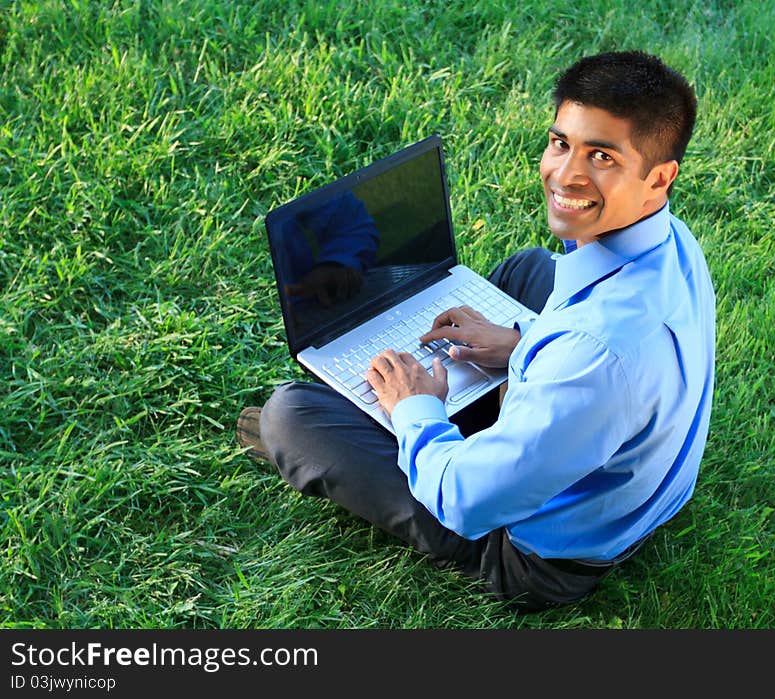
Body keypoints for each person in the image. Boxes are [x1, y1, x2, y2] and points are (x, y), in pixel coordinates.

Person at [236, 50, 716, 611]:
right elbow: (596, 356)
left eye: (602, 156)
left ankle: (355, 437)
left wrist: (417, 409)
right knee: (526, 271)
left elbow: (465, 502)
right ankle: (486, 397)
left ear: (658, 177)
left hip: (539, 557)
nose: (565, 175)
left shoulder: (594, 356)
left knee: (291, 417)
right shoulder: (672, 240)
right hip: (633, 472)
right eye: (562, 143)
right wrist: (522, 348)